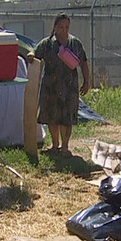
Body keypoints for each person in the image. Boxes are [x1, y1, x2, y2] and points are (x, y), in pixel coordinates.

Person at [27, 13, 91, 157]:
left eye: (66, 27)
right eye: (61, 27)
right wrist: (31, 55)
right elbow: (35, 53)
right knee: (51, 116)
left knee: (66, 116)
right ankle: (55, 145)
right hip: (51, 86)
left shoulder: (75, 43)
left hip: (69, 86)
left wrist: (87, 81)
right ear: (55, 27)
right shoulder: (47, 43)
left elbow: (84, 62)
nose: (64, 30)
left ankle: (65, 146)